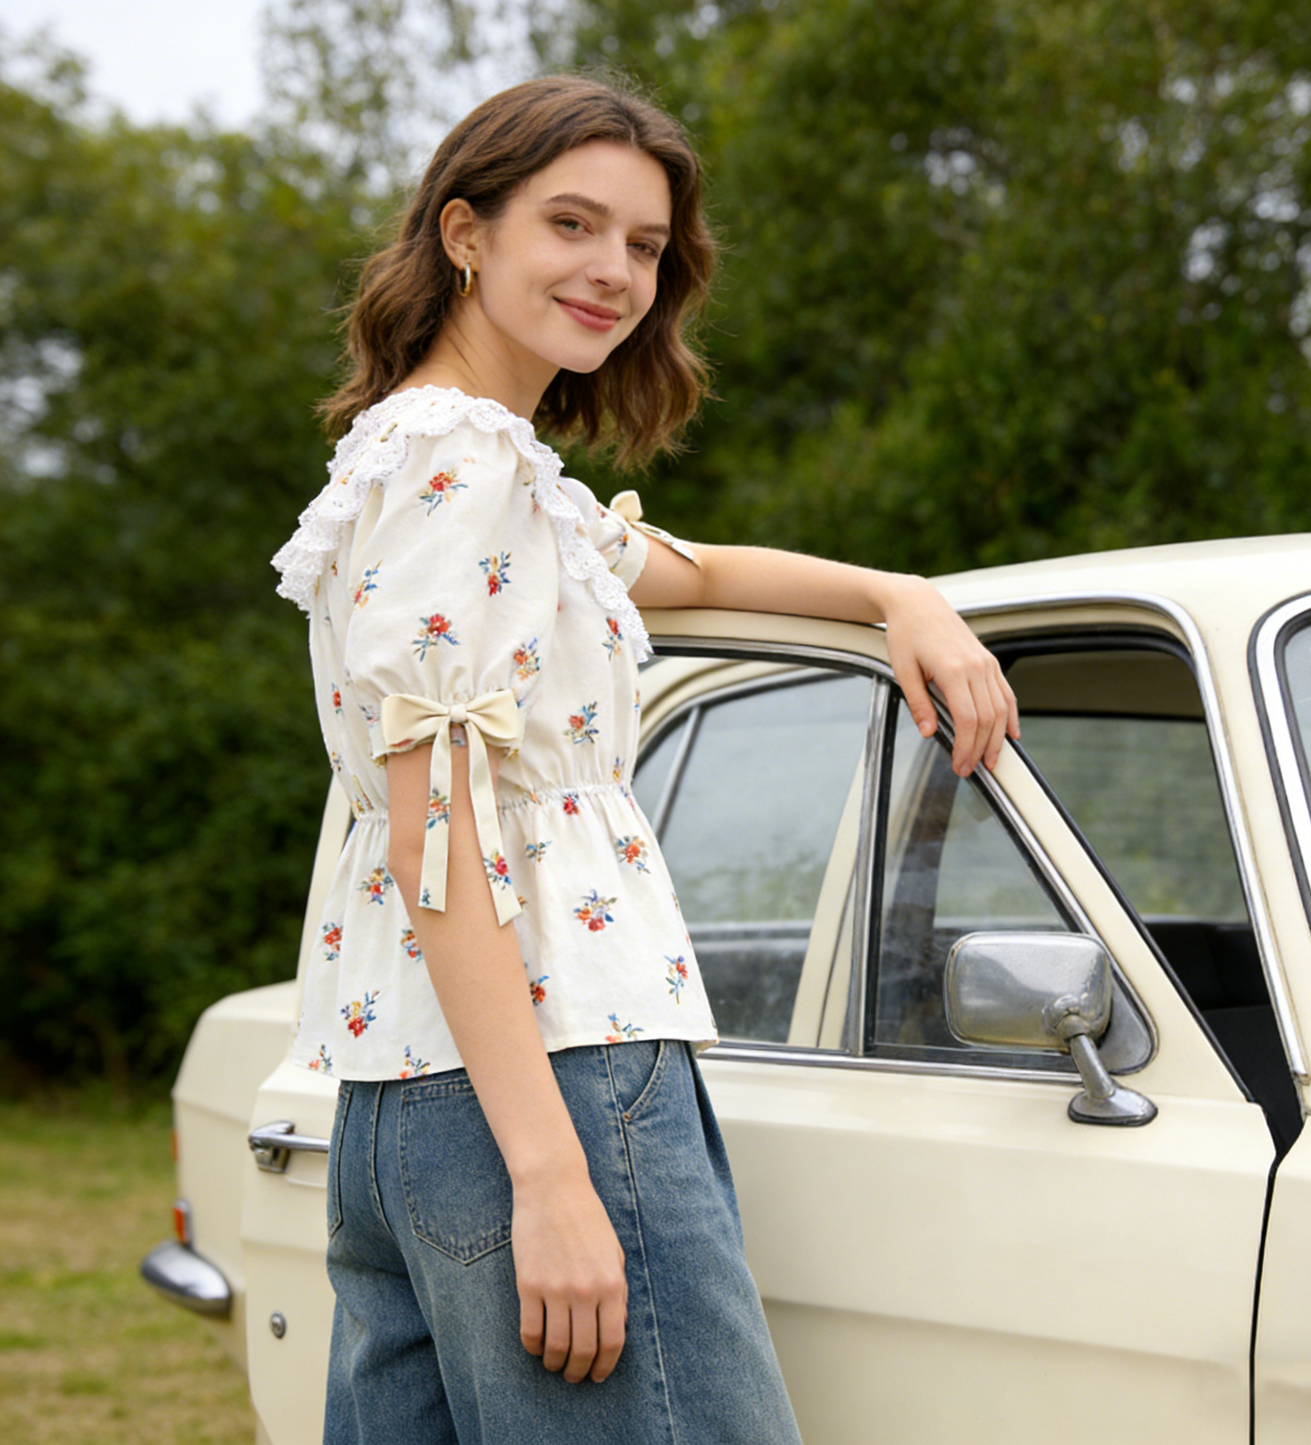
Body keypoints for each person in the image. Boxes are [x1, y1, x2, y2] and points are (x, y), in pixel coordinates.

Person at [271, 72, 1018, 1445]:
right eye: (572, 223)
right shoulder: (461, 466)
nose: (614, 271)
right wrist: (552, 1171)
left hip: (401, 1104)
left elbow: (689, 567)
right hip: (551, 1073)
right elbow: (437, 831)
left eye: (646, 245)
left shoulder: (452, 467)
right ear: (465, 233)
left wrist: (895, 591)